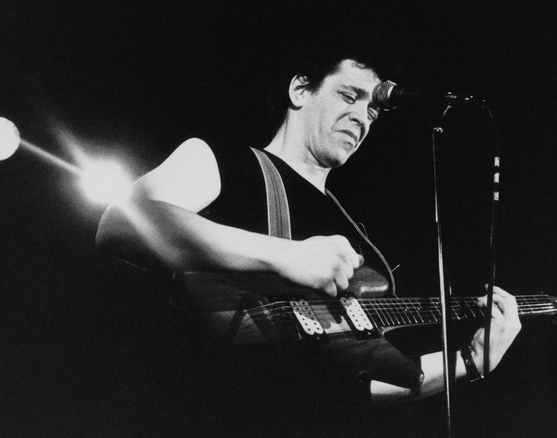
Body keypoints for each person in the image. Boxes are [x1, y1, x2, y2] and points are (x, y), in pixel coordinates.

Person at [95, 32, 521, 434]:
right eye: (348, 96)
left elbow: (358, 384)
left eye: (371, 110)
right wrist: (286, 255)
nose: (361, 118)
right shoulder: (227, 162)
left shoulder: (353, 235)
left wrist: (469, 360)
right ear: (300, 90)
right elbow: (122, 222)